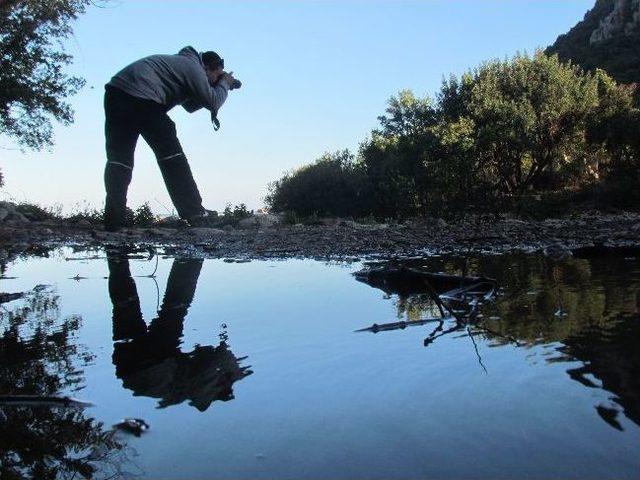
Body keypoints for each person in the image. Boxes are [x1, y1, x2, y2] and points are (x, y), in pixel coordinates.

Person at [103, 46, 238, 231]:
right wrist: (224, 84)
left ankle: (113, 220)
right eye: (217, 75)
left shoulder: (181, 65)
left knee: (119, 161)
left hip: (116, 93)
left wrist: (218, 84)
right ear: (208, 68)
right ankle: (195, 214)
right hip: (142, 98)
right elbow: (213, 101)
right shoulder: (193, 67)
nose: (216, 80)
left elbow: (190, 106)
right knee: (171, 157)